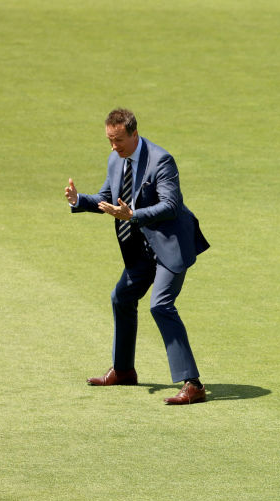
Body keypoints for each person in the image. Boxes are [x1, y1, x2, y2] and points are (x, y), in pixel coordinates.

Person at [64, 108, 210, 405]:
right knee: (121, 297)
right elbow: (107, 198)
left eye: (118, 140)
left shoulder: (161, 161)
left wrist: (133, 214)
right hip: (141, 250)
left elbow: (171, 205)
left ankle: (193, 384)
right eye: (109, 140)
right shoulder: (115, 160)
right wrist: (79, 200)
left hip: (170, 245)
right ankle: (123, 370)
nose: (113, 146)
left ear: (134, 133)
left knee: (161, 305)